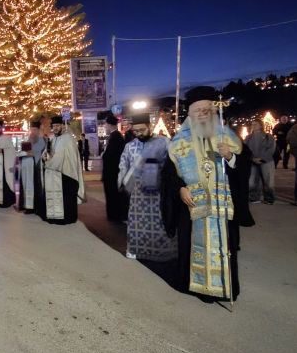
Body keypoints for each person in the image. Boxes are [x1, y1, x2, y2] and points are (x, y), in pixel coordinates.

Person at [161, 87, 254, 301]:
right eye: (198, 111)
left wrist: (230, 157)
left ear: (213, 112)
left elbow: (244, 165)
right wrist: (180, 188)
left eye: (206, 110)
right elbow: (167, 174)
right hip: (192, 204)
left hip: (222, 205)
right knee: (190, 244)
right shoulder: (178, 141)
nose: (202, 114)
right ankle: (193, 285)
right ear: (191, 114)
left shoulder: (227, 136)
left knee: (224, 246)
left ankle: (223, 288)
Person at [117, 114, 176, 260]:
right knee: (137, 223)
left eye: (142, 130)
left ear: (150, 126)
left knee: (160, 221)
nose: (139, 134)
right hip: (138, 194)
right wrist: (121, 182)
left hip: (159, 192)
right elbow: (123, 166)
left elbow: (173, 165)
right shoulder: (130, 146)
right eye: (135, 131)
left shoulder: (164, 143)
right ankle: (137, 250)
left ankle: (161, 252)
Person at [42, 116, 85, 224]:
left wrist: (49, 163)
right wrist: (44, 156)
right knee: (57, 196)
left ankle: (67, 218)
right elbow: (47, 152)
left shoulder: (68, 139)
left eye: (57, 125)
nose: (55, 128)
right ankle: (55, 216)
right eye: (54, 126)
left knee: (67, 198)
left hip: (67, 174)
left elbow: (60, 156)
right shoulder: (53, 138)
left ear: (62, 126)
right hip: (55, 173)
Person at [100, 115, 128, 222]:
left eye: (105, 124)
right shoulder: (115, 136)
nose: (104, 126)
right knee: (112, 194)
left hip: (112, 173)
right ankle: (114, 215)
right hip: (112, 172)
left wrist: (104, 155)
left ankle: (115, 215)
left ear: (109, 124)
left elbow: (111, 156)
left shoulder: (115, 137)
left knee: (112, 194)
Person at [245, 120, 276, 204]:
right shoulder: (248, 138)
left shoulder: (268, 136)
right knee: (252, 182)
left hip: (267, 162)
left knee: (268, 181)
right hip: (253, 162)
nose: (253, 125)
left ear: (261, 126)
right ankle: (254, 197)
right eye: (252, 124)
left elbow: (271, 149)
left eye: (256, 124)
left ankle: (269, 198)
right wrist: (252, 158)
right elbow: (245, 150)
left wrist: (262, 158)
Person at [29, 120, 49, 220]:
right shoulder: (30, 139)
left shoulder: (41, 139)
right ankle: (32, 207)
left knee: (39, 187)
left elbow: (37, 151)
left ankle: (39, 208)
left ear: (38, 130)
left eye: (34, 130)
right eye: (31, 130)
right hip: (30, 166)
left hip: (39, 166)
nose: (32, 132)